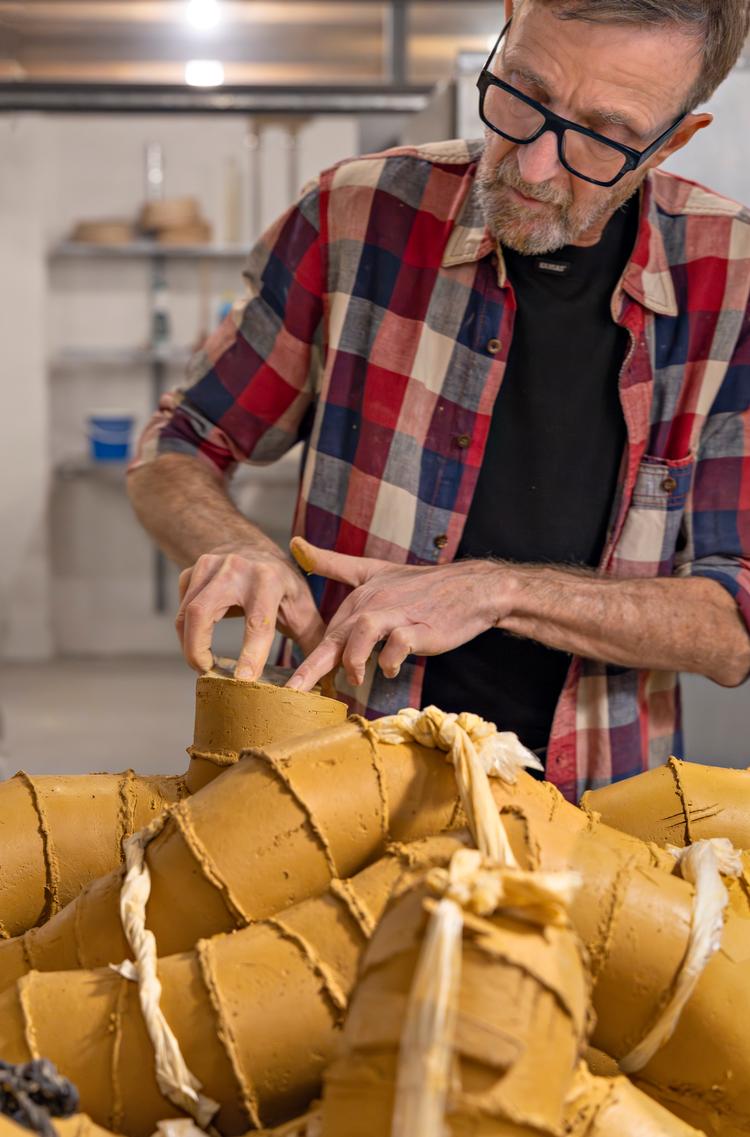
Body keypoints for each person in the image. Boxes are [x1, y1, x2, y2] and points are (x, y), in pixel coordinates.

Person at [128, 0, 750, 801]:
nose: (529, 166)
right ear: (508, 22)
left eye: (600, 136)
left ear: (674, 140)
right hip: (328, 786)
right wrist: (237, 545)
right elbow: (176, 443)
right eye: (520, 96)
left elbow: (734, 626)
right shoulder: (353, 216)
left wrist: (497, 590)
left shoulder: (732, 278)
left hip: (594, 814)